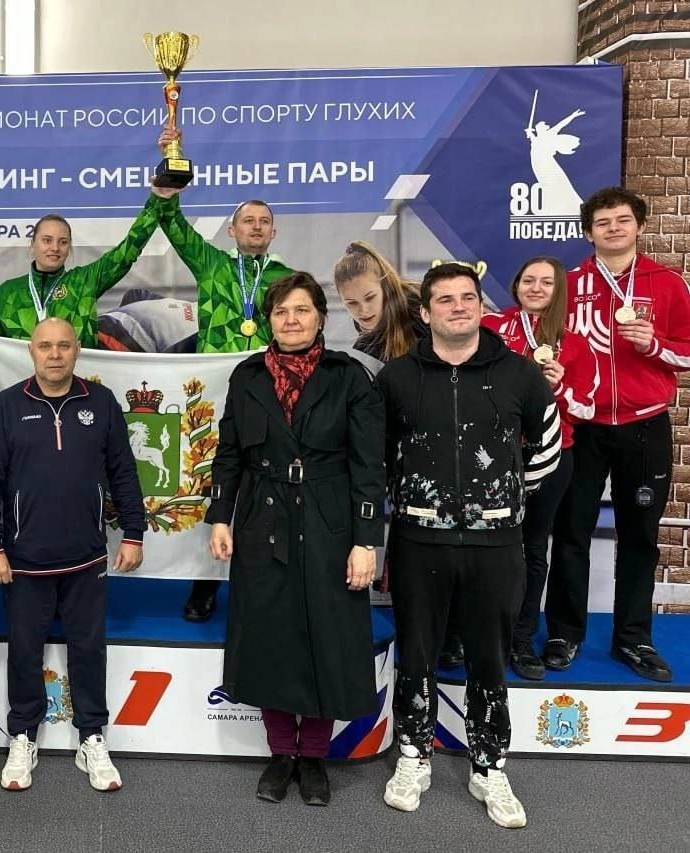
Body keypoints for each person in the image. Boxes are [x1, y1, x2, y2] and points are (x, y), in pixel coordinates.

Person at [378, 263, 560, 828]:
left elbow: (548, 446)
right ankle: (414, 756)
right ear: (426, 312)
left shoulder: (521, 374)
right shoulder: (396, 378)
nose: (458, 306)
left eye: (467, 298)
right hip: (418, 540)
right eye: (445, 299)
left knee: (489, 656)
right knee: (416, 653)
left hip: (496, 544)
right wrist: (410, 498)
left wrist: (503, 499)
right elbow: (377, 454)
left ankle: (489, 765)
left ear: (481, 306)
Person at [206, 272, 385, 806]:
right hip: (262, 518)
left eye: (301, 310)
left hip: (331, 522)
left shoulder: (349, 376)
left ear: (320, 317)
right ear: (269, 320)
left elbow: (369, 465)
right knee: (271, 637)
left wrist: (366, 541)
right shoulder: (247, 376)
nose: (291, 320)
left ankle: (314, 758)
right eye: (281, 311)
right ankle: (282, 752)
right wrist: (220, 516)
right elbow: (229, 453)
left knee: (326, 635)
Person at [0, 318, 145, 792]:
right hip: (22, 561)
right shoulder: (6, 406)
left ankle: (92, 738)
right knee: (24, 651)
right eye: (45, 346)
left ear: (76, 351)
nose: (54, 354)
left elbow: (123, 472)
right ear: (31, 352)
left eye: (63, 346)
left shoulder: (101, 402)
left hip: (86, 558)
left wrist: (133, 532)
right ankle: (22, 736)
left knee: (89, 649)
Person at [545, 187, 690, 682]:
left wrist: (655, 344)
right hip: (580, 426)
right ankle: (564, 633)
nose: (613, 228)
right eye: (602, 222)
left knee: (639, 536)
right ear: (589, 233)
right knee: (571, 532)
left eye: (622, 220)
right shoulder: (567, 285)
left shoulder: (666, 283)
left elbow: (687, 351)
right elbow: (543, 344)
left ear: (639, 227)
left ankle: (634, 638)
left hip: (644, 424)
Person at [152, 129, 296, 624]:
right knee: (217, 487)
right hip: (216, 396)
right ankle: (204, 584)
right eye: (247, 221)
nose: (256, 227)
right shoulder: (212, 265)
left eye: (264, 221)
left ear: (273, 233)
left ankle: (263, 586)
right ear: (231, 231)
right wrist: (168, 174)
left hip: (273, 398)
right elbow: (173, 225)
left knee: (268, 490)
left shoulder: (287, 280)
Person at [333, 242, 467, 669]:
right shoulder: (365, 342)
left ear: (385, 284)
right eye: (351, 304)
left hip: (454, 442)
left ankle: (456, 632)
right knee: (416, 548)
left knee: (454, 542)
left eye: (369, 298)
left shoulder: (423, 309)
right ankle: (426, 632)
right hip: (407, 455)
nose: (363, 310)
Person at [482, 257, 598, 680]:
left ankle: (520, 639)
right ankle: (473, 635)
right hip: (491, 456)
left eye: (546, 282)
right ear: (515, 285)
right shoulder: (491, 328)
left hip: (550, 455)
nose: (535, 287)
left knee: (532, 548)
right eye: (528, 279)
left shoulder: (577, 344)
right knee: (481, 546)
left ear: (559, 290)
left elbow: (586, 410)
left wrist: (559, 385)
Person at [0, 195, 166, 353]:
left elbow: (126, 252)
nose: (55, 248)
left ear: (69, 247)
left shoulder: (84, 281)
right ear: (32, 245)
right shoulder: (8, 292)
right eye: (47, 240)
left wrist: (157, 200)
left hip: (78, 388)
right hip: (24, 392)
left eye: (63, 242)